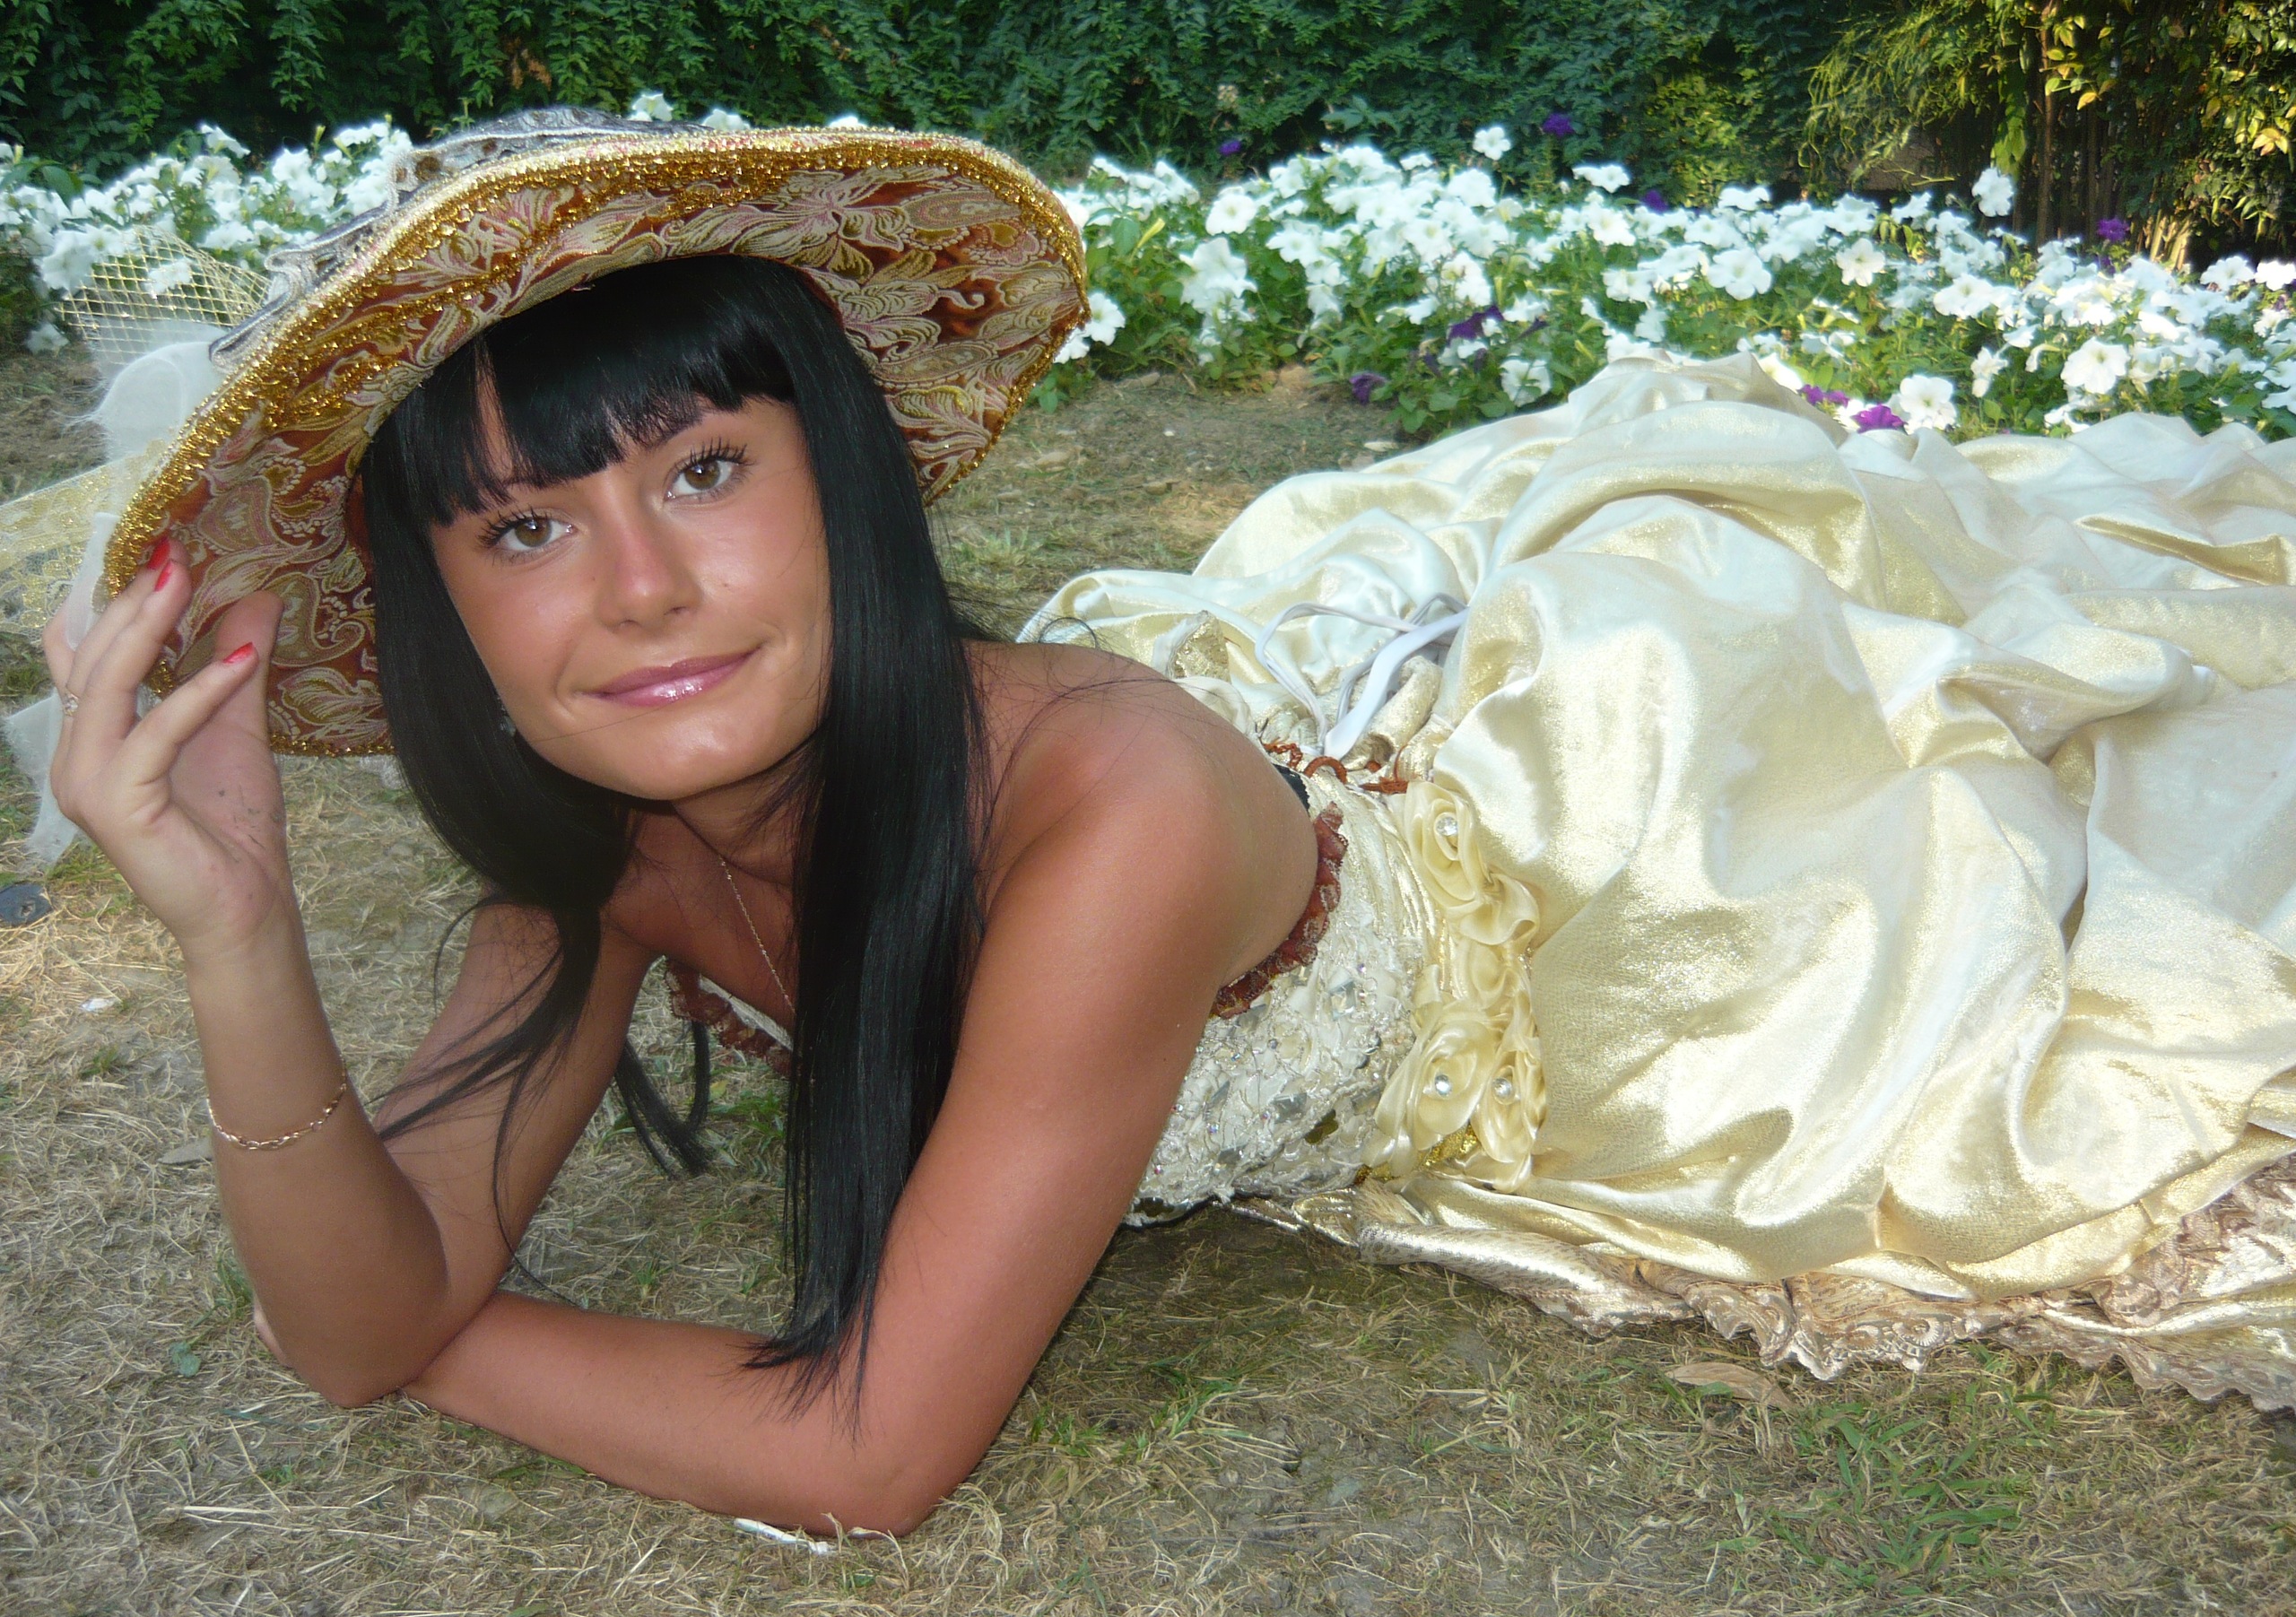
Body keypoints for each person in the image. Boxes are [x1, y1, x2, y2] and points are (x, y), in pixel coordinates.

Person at [27, 112, 2296, 1541]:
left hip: (1578, 890)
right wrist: (237, 932)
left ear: (844, 481)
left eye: (704, 471)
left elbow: (859, 1453)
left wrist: (428, 1331)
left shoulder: (1098, 812)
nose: (636, 592)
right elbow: (347, 1304)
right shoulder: (594, 862)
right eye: (525, 528)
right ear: (443, 612)